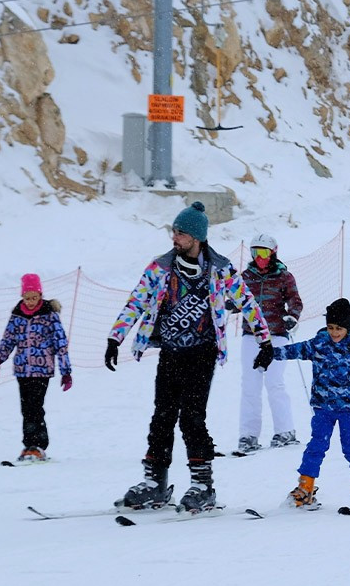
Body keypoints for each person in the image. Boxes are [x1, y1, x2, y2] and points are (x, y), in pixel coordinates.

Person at [105, 201, 272, 513]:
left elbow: (246, 301)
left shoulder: (220, 269)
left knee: (192, 418)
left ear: (196, 237)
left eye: (180, 233)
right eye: (174, 231)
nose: (174, 238)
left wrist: (264, 339)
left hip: (202, 352)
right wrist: (116, 337)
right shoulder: (161, 267)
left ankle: (202, 484)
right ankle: (155, 482)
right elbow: (136, 301)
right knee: (162, 416)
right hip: (171, 352)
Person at [255, 298, 350, 511]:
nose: (334, 333)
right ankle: (305, 488)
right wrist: (271, 353)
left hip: (349, 409)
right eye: (331, 327)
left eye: (339, 328)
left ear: (347, 327)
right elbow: (296, 350)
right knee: (316, 446)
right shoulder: (320, 343)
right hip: (323, 408)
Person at [0, 273, 72, 462]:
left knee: (35, 407)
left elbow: (60, 342)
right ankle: (29, 445)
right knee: (26, 408)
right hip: (22, 369)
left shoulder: (49, 314)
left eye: (34, 297)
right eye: (27, 298)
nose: (30, 301)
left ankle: (38, 445)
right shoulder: (17, 315)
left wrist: (66, 371)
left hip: (42, 369)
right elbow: (9, 339)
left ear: (40, 295)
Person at [237, 233, 304, 454]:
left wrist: (292, 317)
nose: (260, 257)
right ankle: (248, 435)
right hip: (252, 335)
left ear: (273, 253)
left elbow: (295, 301)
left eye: (264, 253)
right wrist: (231, 304)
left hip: (276, 334)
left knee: (274, 382)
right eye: (255, 252)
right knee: (250, 385)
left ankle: (285, 431)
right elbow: (237, 298)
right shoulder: (246, 276)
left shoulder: (284, 276)